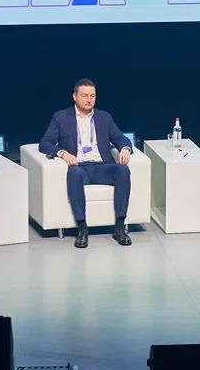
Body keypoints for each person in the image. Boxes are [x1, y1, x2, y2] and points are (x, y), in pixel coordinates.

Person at [39, 79, 134, 248]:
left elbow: (120, 137)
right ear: (74, 96)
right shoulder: (61, 117)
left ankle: (120, 227)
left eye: (92, 96)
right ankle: (82, 229)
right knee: (74, 173)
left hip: (102, 166)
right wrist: (63, 153)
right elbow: (45, 143)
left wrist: (125, 148)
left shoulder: (104, 117)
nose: (89, 100)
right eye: (84, 96)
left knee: (123, 170)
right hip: (80, 167)